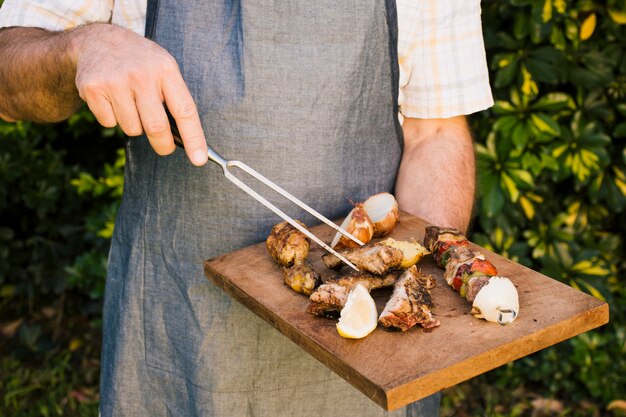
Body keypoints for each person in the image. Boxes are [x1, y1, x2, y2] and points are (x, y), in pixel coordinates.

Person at [0, 0, 493, 416]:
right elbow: (7, 72)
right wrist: (82, 47)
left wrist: (412, 302)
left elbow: (436, 131)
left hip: (367, 351)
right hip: (177, 323)